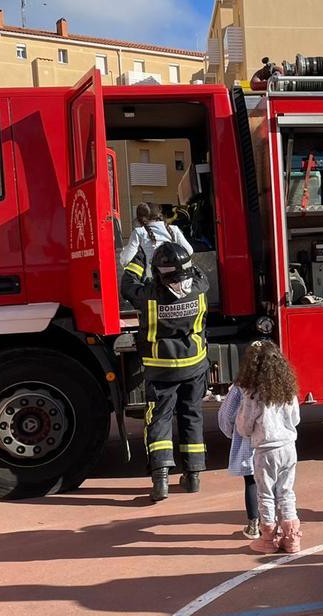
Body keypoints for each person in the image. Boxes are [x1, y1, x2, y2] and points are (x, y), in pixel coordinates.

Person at [121, 243, 210, 502]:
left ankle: (160, 481)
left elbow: (127, 283)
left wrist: (140, 257)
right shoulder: (199, 287)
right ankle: (193, 477)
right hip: (194, 362)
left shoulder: (148, 294)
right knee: (191, 416)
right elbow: (198, 271)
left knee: (159, 420)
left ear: (159, 272)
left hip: (161, 369)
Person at [235, 341, 302, 553]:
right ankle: (291, 538)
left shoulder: (252, 394)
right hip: (288, 446)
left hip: (265, 449)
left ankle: (268, 538)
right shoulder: (288, 389)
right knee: (286, 491)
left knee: (265, 494)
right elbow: (295, 419)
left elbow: (245, 426)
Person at [218, 341, 267, 539]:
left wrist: (232, 433)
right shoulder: (283, 385)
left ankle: (253, 524)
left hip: (249, 443)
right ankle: (277, 524)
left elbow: (226, 414)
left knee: (252, 482)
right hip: (277, 443)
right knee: (276, 485)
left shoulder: (241, 387)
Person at [119, 202, 194, 271]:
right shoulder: (174, 229)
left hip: (153, 280)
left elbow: (126, 259)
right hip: (176, 278)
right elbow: (189, 251)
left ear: (142, 219)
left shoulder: (139, 232)